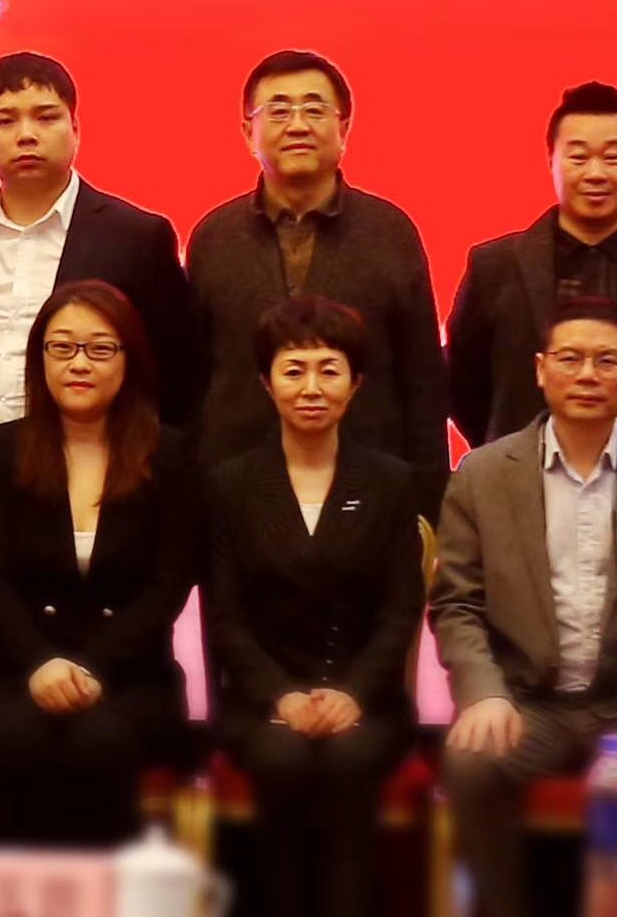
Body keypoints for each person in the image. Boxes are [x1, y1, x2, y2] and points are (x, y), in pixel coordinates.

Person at [431, 301, 617, 917]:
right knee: (472, 761)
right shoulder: (482, 474)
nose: (588, 374)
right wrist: (482, 694)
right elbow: (458, 603)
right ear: (541, 370)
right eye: (570, 358)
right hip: (527, 703)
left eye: (606, 360)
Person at [0, 280, 202, 846]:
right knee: (14, 741)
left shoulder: (170, 455)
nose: (79, 364)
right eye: (62, 347)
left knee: (100, 743)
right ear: (40, 358)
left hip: (130, 673)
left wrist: (92, 666)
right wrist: (41, 662)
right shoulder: (2, 450)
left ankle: (100, 890)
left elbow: (168, 585)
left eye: (99, 348)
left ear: (129, 359)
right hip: (22, 667)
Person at [203, 298, 425, 917]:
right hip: (264, 703)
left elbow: (400, 610)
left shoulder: (389, 481)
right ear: (265, 382)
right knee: (282, 758)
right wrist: (282, 696)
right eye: (293, 370)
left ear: (355, 384)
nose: (311, 388)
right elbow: (225, 617)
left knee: (352, 759)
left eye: (329, 370)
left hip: (367, 700)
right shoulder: (230, 484)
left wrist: (354, 693)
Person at [0, 52, 197, 458]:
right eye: (4, 121)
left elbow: (173, 374)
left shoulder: (137, 237)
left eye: (46, 117)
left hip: (88, 476)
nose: (26, 135)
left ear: (76, 128)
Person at [188, 50, 447, 464]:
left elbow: (423, 382)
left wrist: (429, 492)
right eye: (278, 111)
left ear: (343, 128)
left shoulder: (390, 232)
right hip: (233, 479)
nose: (298, 126)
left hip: (369, 479)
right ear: (248, 132)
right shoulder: (213, 237)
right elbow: (190, 379)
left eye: (314, 109)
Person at [452, 83, 617, 447]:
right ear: (551, 161)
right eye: (579, 158)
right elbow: (462, 381)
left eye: (612, 158)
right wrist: (507, 454)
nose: (596, 173)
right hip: (522, 471)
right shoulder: (494, 266)